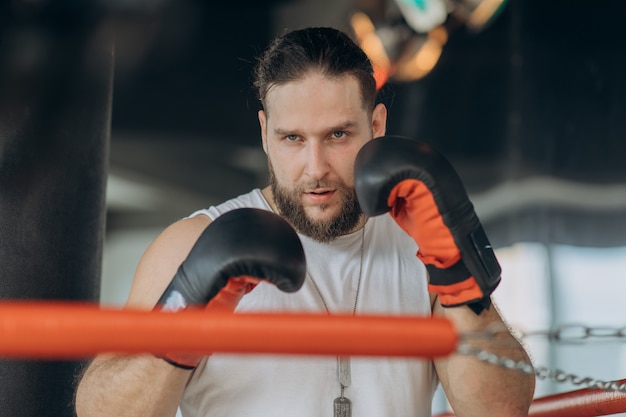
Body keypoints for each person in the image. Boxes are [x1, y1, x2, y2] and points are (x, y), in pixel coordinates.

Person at [75, 27, 535, 417]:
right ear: (264, 134)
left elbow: (500, 408)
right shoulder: (192, 243)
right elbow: (100, 409)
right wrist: (182, 322)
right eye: (292, 138)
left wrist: (459, 275)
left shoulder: (419, 241)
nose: (315, 167)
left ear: (376, 126)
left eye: (337, 135)